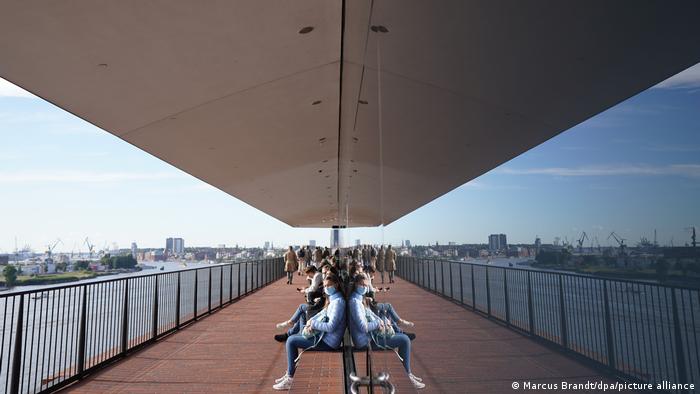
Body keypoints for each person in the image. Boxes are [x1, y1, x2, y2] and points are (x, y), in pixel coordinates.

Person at [347, 274, 424, 389]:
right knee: (404, 340)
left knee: (398, 334)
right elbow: (363, 327)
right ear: (356, 284)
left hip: (369, 336)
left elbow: (370, 315)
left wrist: (382, 320)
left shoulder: (358, 298)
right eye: (361, 285)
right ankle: (408, 375)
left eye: (365, 285)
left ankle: (409, 373)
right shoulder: (355, 302)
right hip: (364, 341)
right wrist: (379, 323)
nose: (363, 287)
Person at [273, 274, 347, 390]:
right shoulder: (333, 299)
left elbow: (331, 327)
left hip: (329, 342)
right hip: (323, 337)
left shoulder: (338, 302)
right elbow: (323, 314)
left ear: (336, 285)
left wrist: (313, 324)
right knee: (302, 319)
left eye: (329, 285)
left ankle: (290, 377)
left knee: (291, 341)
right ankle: (289, 372)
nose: (327, 288)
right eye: (325, 286)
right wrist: (311, 321)